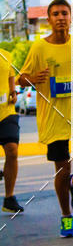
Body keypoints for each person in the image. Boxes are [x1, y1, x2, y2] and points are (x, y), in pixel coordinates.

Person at [19, 0, 73, 237]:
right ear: (49, 19)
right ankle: (66, 216)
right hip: (53, 118)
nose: (61, 17)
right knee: (62, 171)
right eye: (56, 14)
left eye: (65, 13)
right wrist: (33, 78)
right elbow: (21, 78)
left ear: (71, 17)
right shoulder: (39, 47)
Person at [0, 48, 22, 214]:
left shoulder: (5, 55)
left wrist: (13, 91)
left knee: (12, 150)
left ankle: (9, 198)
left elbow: (10, 76)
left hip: (6, 111)